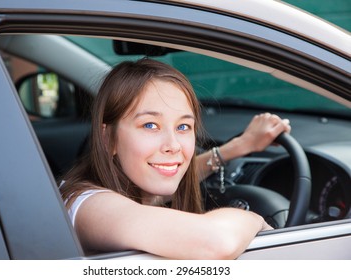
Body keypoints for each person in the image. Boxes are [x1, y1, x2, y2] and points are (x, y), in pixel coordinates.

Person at [59, 58, 291, 259]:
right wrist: (255, 220)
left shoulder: (138, 190)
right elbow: (215, 243)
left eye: (183, 126)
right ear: (108, 138)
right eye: (150, 125)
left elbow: (176, 171)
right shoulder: (87, 205)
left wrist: (239, 147)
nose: (173, 146)